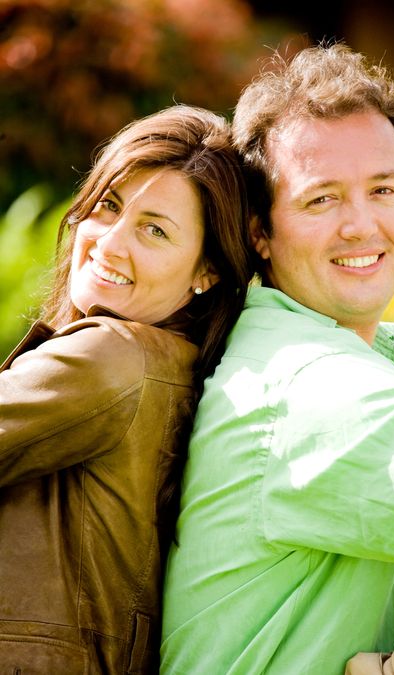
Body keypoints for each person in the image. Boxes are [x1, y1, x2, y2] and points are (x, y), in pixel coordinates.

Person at [160, 44, 394, 674]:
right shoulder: (298, 386)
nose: (362, 225)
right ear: (260, 232)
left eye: (382, 189)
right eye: (322, 199)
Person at [0, 103, 254, 673]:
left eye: (154, 230)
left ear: (206, 272)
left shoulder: (110, 358)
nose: (109, 243)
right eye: (109, 206)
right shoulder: (177, 369)